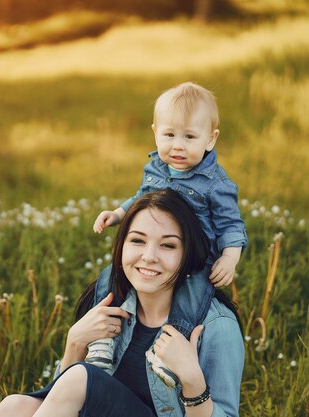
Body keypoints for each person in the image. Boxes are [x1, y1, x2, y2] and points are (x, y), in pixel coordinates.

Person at [0, 189, 244, 417]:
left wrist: (192, 381)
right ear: (121, 245)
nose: (149, 256)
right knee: (15, 406)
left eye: (167, 245)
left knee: (79, 378)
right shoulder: (112, 304)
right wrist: (74, 344)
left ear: (187, 254)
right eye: (137, 241)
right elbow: (62, 398)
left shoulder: (216, 325)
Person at [87, 82, 247, 378]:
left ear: (210, 140)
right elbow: (141, 197)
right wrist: (118, 213)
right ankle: (102, 340)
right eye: (169, 135)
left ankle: (168, 353)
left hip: (197, 260)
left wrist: (230, 257)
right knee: (111, 275)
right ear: (155, 132)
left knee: (190, 298)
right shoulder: (156, 168)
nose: (177, 145)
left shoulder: (215, 183)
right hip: (163, 250)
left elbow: (232, 224)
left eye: (189, 137)